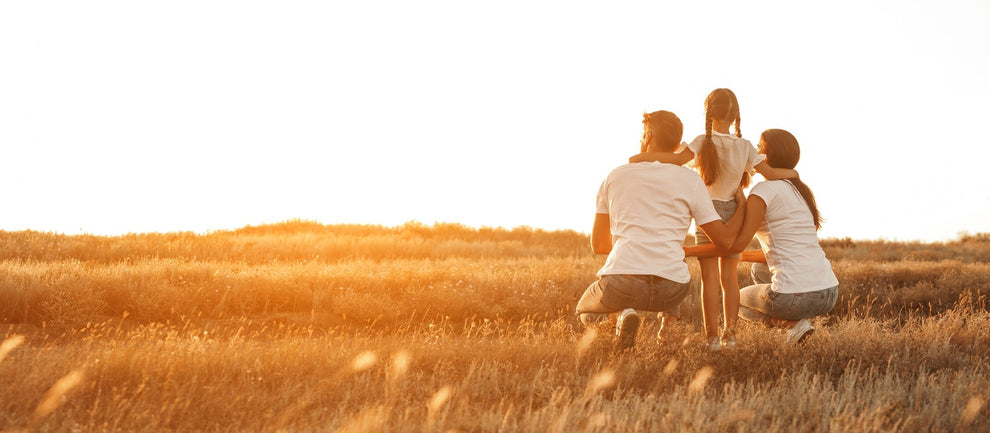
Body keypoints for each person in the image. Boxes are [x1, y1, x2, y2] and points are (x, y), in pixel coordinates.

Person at [629, 88, 797, 351]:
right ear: (736, 115)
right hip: (733, 212)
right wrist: (794, 173)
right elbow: (772, 174)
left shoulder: (701, 142)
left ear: (708, 113)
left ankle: (712, 339)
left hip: (707, 214)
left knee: (709, 280)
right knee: (729, 279)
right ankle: (731, 337)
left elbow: (674, 161)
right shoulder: (745, 146)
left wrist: (643, 157)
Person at [576, 110, 746, 351]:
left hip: (624, 282)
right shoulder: (691, 180)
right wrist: (742, 205)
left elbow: (599, 245)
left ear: (648, 136)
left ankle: (623, 314)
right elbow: (723, 242)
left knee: (585, 312)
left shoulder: (615, 176)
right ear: (678, 144)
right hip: (672, 289)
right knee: (669, 262)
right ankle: (666, 324)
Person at [721, 129, 839, 343]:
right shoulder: (799, 190)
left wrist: (739, 200)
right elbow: (783, 251)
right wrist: (744, 258)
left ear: (768, 156)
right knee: (758, 268)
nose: (755, 152)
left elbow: (737, 244)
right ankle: (796, 330)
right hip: (829, 293)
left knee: (735, 300)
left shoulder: (763, 191)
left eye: (759, 147)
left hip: (796, 298)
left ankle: (793, 325)